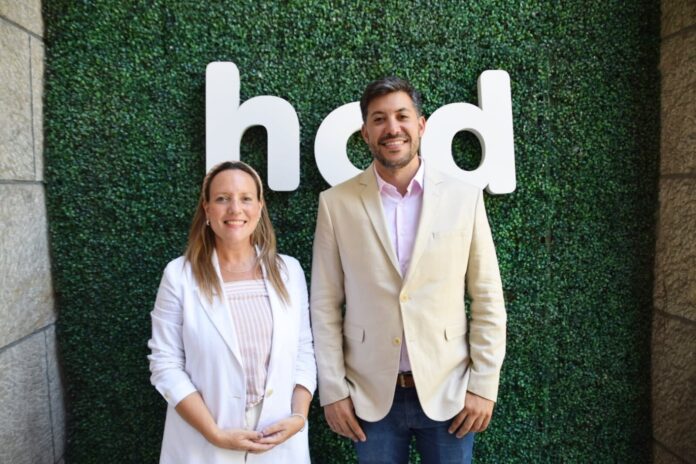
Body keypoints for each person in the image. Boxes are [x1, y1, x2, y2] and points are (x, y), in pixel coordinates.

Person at [310, 77, 507, 463]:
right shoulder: (336, 204)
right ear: (365, 133)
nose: (392, 128)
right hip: (369, 396)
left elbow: (487, 297)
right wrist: (333, 390)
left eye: (402, 116)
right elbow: (324, 304)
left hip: (450, 392)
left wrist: (484, 385)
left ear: (421, 124)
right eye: (379, 119)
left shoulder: (464, 199)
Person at [148, 161, 316, 463]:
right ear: (207, 208)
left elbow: (304, 351)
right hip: (203, 442)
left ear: (260, 207)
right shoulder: (179, 275)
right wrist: (214, 433)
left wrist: (298, 417)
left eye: (246, 198)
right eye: (222, 198)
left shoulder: (289, 271)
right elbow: (165, 364)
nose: (235, 209)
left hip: (278, 442)